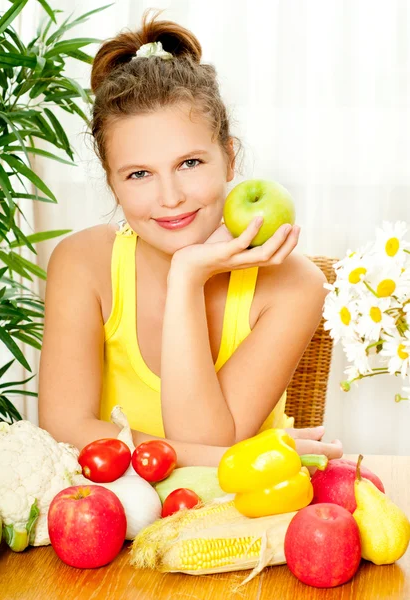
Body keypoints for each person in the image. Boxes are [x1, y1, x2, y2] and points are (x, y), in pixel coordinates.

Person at [38, 9, 343, 466]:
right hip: (114, 518)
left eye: (190, 164)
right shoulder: (81, 263)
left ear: (229, 157)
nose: (171, 197)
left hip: (242, 520)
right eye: (139, 174)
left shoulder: (295, 285)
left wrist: (186, 278)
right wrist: (234, 456)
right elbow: (63, 430)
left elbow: (204, 439)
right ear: (112, 182)